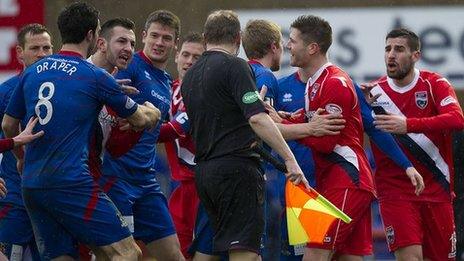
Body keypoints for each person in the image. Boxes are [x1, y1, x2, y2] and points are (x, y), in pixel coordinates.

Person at [1, 2, 160, 260]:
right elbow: (140, 119)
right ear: (91, 35)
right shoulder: (94, 75)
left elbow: (8, 125)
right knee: (128, 253)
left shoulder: (32, 73)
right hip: (71, 182)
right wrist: (153, 109)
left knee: (62, 257)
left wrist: (22, 158)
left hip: (32, 184)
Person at [181, 10, 308, 261]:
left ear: (206, 37)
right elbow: (256, 117)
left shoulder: (190, 76)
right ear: (238, 39)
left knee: (208, 253)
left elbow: (221, 113)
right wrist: (290, 160)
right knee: (246, 254)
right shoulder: (236, 66)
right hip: (237, 172)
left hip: (205, 173)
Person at [273, 15, 376, 260]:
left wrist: (287, 129)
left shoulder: (335, 82)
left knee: (314, 253)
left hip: (348, 179)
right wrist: (287, 120)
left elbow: (325, 141)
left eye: (293, 40)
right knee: (348, 257)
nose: (288, 45)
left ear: (312, 48)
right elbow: (312, 123)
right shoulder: (313, 83)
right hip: (336, 180)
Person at [367, 28, 464, 261]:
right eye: (388, 49)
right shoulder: (373, 93)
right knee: (410, 258)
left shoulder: (434, 84)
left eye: (399, 49)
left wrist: (408, 124)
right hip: (395, 191)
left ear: (415, 56)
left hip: (437, 188)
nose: (391, 55)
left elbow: (457, 118)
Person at [98, 10, 184, 261]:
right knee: (123, 256)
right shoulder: (132, 65)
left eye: (166, 38)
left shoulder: (166, 80)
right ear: (144, 36)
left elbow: (156, 130)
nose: (159, 43)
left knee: (173, 255)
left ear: (174, 43)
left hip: (146, 182)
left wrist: (186, 125)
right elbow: (112, 101)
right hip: (116, 178)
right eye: (155, 36)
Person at [0, 23, 51, 260]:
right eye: (35, 48)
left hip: (51, 201)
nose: (42, 54)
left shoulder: (63, 89)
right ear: (20, 52)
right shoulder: (6, 92)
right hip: (14, 198)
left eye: (47, 48)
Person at [157, 31, 205, 259]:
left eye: (197, 58)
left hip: (202, 186)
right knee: (178, 251)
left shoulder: (203, 93)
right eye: (186, 55)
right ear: (176, 56)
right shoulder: (168, 88)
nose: (189, 61)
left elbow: (175, 129)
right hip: (179, 185)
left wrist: (137, 125)